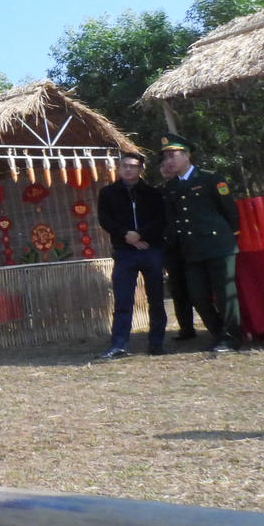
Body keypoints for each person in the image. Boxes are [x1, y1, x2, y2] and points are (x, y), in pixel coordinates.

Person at [160, 134, 242, 352]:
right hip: (191, 250)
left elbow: (229, 210)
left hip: (218, 245)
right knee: (197, 296)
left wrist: (232, 239)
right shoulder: (170, 187)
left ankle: (231, 338)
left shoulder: (210, 178)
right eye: (165, 157)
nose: (169, 160)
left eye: (173, 155)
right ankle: (219, 333)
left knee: (225, 294)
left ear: (187, 155)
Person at [95, 152, 167, 359]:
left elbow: (161, 219)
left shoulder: (153, 193)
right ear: (119, 168)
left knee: (156, 298)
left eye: (133, 166)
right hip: (124, 251)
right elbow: (105, 219)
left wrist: (141, 235)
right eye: (125, 165)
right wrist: (126, 235)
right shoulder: (108, 193)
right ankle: (119, 344)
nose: (128, 169)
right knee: (123, 299)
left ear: (140, 169)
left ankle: (156, 343)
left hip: (150, 249)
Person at [158, 156, 196, 340]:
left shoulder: (191, 185)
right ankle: (186, 329)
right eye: (162, 165)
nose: (166, 168)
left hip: (194, 244)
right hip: (171, 248)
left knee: (200, 289)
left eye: (169, 164)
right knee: (178, 290)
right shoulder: (159, 192)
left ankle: (218, 328)